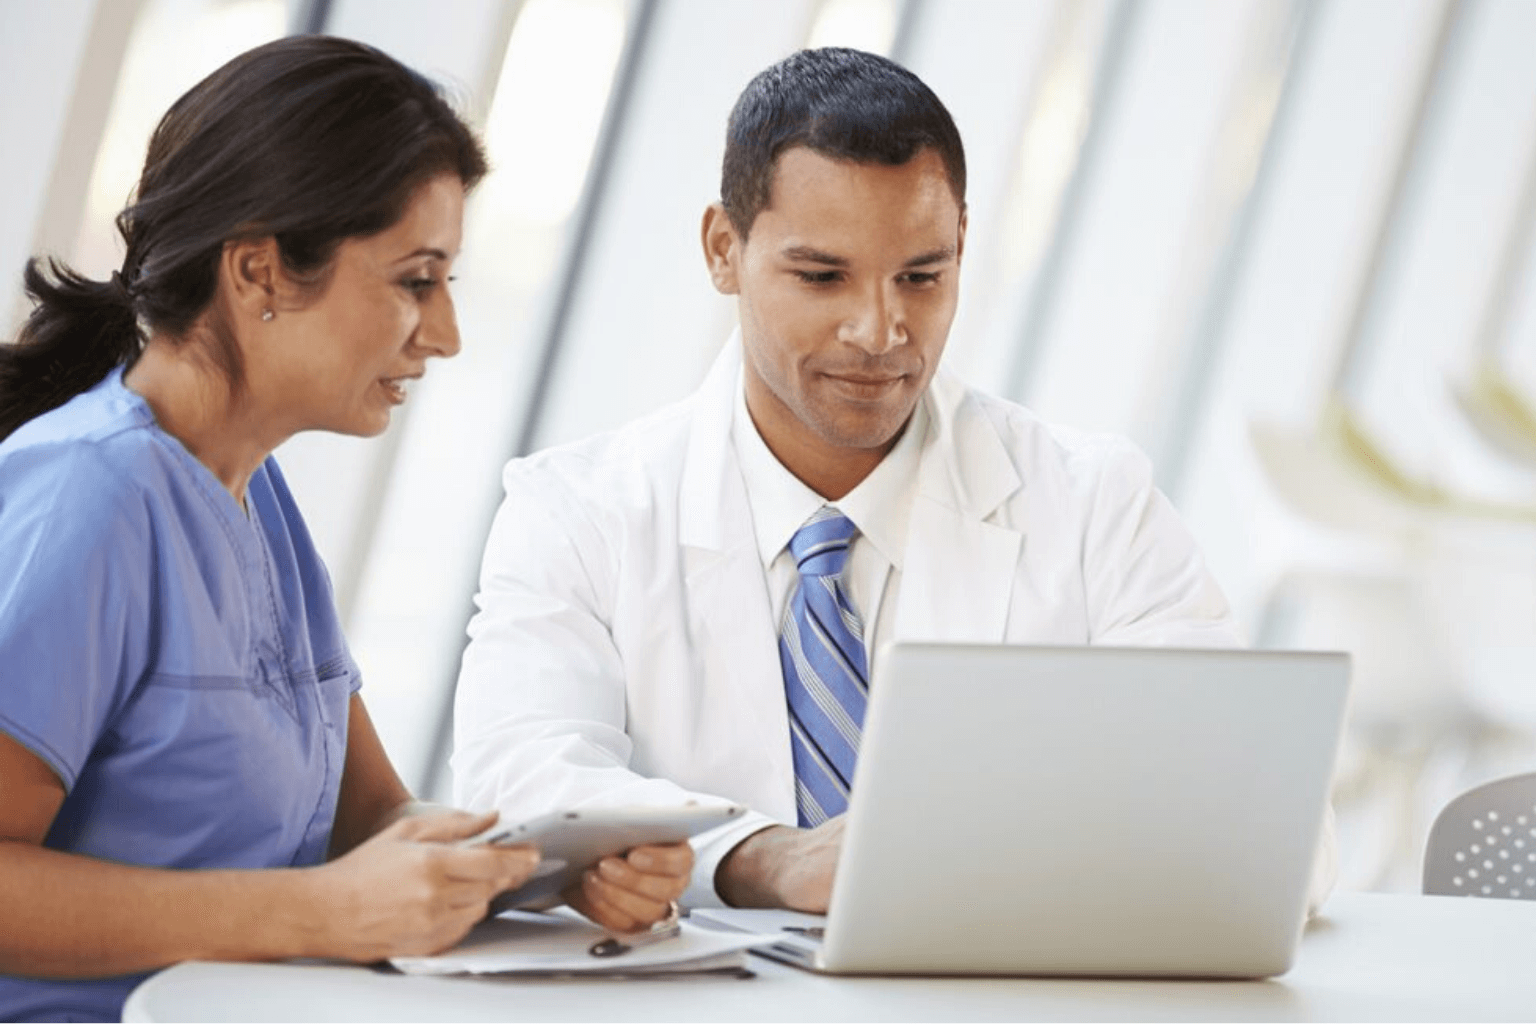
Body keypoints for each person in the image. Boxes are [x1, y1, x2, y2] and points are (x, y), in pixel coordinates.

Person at [452, 47, 1333, 914]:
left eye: (921, 276)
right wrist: (763, 861)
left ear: (962, 248)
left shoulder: (1096, 504)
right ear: (725, 249)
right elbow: (522, 774)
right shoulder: (576, 512)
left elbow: (1274, 831)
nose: (880, 331)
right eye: (822, 275)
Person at [0, 36, 690, 1023]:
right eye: (416, 280)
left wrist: (539, 866)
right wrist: (314, 912)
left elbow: (371, 824)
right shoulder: (87, 498)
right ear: (259, 273)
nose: (447, 333)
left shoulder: (257, 502)